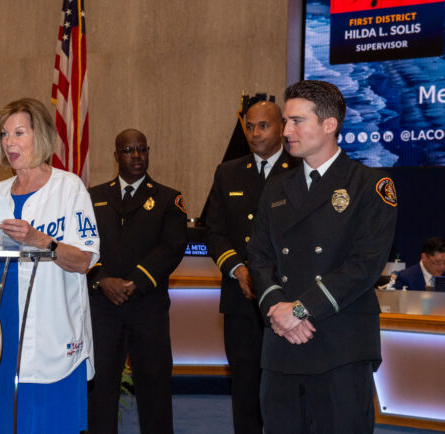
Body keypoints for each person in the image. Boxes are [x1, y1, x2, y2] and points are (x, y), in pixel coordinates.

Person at [247, 80, 397, 433]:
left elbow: (364, 267)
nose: (286, 131)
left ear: (329, 125)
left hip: (339, 344)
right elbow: (259, 256)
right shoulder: (277, 187)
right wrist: (280, 311)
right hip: (282, 343)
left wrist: (300, 310)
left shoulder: (370, 186)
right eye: (286, 121)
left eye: (297, 121)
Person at [0, 97, 99, 433]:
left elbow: (84, 260)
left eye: (19, 133)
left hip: (53, 331)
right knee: (4, 422)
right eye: (5, 135)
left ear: (42, 136)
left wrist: (42, 241)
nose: (9, 142)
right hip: (1, 325)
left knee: (47, 423)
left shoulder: (69, 188)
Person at [86, 129, 188, 434]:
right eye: (129, 150)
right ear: (116, 156)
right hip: (103, 308)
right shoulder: (92, 197)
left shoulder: (169, 198)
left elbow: (171, 248)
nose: (137, 156)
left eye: (142, 149)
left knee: (155, 389)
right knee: (100, 388)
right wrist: (102, 278)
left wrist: (133, 283)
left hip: (148, 308)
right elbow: (83, 244)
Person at [204, 100, 297, 433]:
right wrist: (238, 270)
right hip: (240, 299)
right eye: (250, 126)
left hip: (289, 299)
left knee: (286, 389)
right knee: (244, 387)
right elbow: (213, 230)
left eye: (264, 126)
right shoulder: (227, 171)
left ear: (282, 127)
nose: (255, 133)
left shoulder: (300, 169)